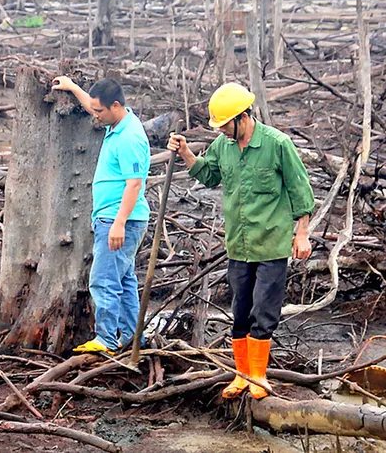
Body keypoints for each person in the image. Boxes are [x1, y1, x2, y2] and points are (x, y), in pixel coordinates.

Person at [168, 83, 314, 399]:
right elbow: (208, 175)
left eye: (224, 125)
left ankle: (258, 376)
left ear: (242, 118)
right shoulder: (224, 146)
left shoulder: (277, 144)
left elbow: (301, 190)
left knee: (264, 310)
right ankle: (241, 374)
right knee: (240, 311)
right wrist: (186, 153)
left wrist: (302, 233)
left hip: (271, 244)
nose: (220, 131)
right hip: (239, 245)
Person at [51, 76, 151, 356]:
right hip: (116, 218)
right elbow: (92, 104)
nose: (94, 116)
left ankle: (106, 339)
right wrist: (73, 87)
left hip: (120, 220)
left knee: (103, 279)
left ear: (115, 106)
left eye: (99, 111)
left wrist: (119, 223)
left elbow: (134, 184)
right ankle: (132, 337)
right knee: (124, 280)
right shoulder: (117, 123)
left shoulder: (129, 138)